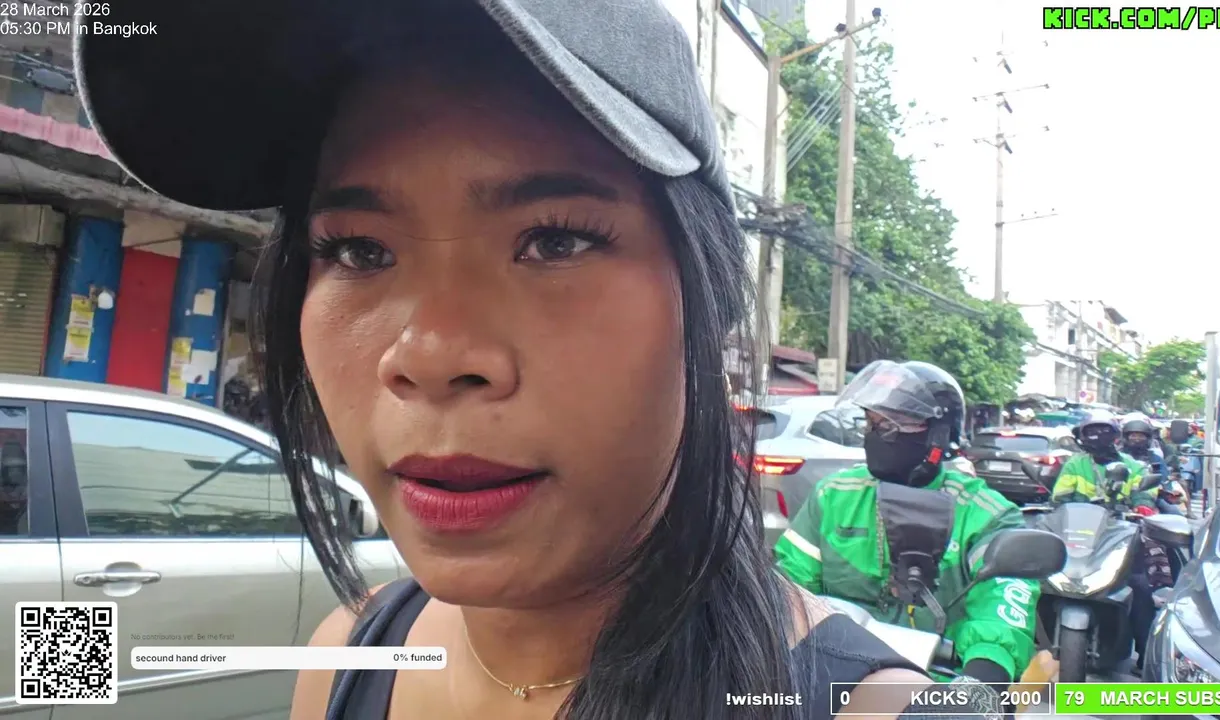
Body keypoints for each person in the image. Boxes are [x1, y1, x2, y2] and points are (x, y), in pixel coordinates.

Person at [74, 2, 933, 719]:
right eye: (361, 251)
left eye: (554, 240)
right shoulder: (346, 659)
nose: (430, 357)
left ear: (705, 297)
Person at [775, 360, 1040, 690]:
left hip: (939, 683)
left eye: (890, 426)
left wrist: (983, 677)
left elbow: (1001, 604)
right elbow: (790, 584)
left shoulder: (985, 513)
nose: (875, 436)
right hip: (830, 673)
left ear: (938, 436)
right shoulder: (833, 496)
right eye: (871, 424)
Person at [1050, 411, 1166, 671]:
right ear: (1082, 437)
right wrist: (1081, 502)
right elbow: (1059, 496)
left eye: (1104, 431)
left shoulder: (1133, 466)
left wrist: (1142, 505)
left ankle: (1147, 656)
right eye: (1091, 432)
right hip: (1079, 531)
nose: (1097, 437)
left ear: (1115, 436)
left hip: (1119, 533)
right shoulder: (1075, 465)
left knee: (1139, 586)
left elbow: (1145, 493)